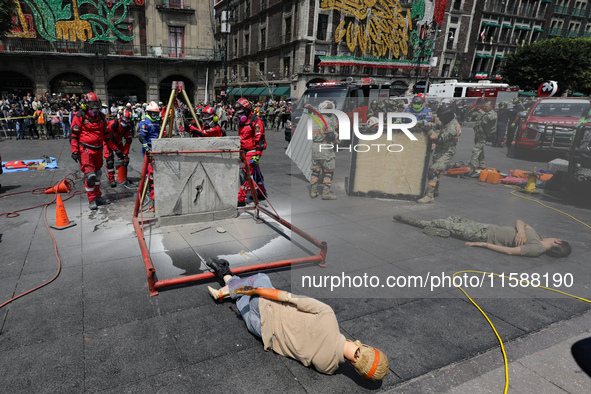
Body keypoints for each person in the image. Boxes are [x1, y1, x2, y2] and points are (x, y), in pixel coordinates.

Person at [205, 259, 389, 380]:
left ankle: (228, 279)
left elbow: (285, 296)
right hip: (262, 333)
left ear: (367, 347)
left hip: (264, 307)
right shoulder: (328, 368)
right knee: (242, 299)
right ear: (357, 369)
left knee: (260, 279)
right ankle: (228, 280)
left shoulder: (327, 315)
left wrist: (255, 290)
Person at [393, 215, 571, 257]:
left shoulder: (538, 247)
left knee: (442, 223)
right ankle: (444, 230)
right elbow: (520, 221)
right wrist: (522, 231)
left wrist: (483, 244)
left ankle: (413, 222)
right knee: (455, 218)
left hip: (482, 234)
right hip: (486, 227)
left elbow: (510, 251)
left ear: (556, 242)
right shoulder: (538, 236)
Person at [71, 92, 111, 210]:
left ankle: (98, 197)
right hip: (85, 149)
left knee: (98, 174)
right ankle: (91, 200)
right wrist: (74, 150)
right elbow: (73, 134)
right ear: (85, 104)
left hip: (98, 149)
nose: (94, 106)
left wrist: (110, 149)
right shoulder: (80, 116)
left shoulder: (102, 117)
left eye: (96, 103)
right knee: (90, 176)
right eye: (91, 103)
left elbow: (107, 134)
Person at [417, 104, 461, 204]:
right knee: (437, 172)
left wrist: (429, 130)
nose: (440, 118)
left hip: (447, 151)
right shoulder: (447, 119)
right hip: (440, 150)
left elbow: (439, 140)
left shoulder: (452, 127)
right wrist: (426, 124)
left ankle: (429, 196)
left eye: (441, 116)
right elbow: (437, 124)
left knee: (433, 171)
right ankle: (435, 190)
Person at [235, 98, 267, 206]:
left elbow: (260, 140)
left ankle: (240, 199)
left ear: (248, 110)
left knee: (246, 173)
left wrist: (257, 155)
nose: (240, 115)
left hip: (253, 152)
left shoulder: (256, 120)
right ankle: (261, 192)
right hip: (244, 151)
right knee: (256, 173)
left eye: (242, 112)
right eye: (238, 113)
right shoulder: (243, 122)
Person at [307, 101, 338, 200]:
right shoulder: (327, 121)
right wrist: (337, 141)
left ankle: (313, 191)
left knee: (315, 171)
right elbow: (331, 136)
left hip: (315, 148)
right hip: (325, 148)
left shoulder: (314, 120)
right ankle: (326, 193)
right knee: (328, 171)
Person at [104, 109, 133, 187]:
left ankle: (123, 177)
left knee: (125, 159)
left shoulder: (128, 127)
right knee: (109, 160)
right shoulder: (112, 124)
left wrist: (125, 153)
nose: (125, 122)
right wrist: (115, 149)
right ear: (120, 117)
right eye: (124, 119)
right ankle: (111, 179)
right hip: (108, 141)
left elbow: (128, 141)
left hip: (118, 141)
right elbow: (107, 137)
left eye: (128, 120)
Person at [469, 99, 497, 172]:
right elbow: (473, 116)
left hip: (485, 134)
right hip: (478, 133)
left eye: (486, 106)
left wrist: (482, 113)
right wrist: (472, 111)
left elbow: (488, 120)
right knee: (480, 149)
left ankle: (472, 164)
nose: (484, 108)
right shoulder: (484, 112)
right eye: (484, 106)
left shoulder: (493, 114)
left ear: (491, 106)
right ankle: (482, 163)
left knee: (476, 149)